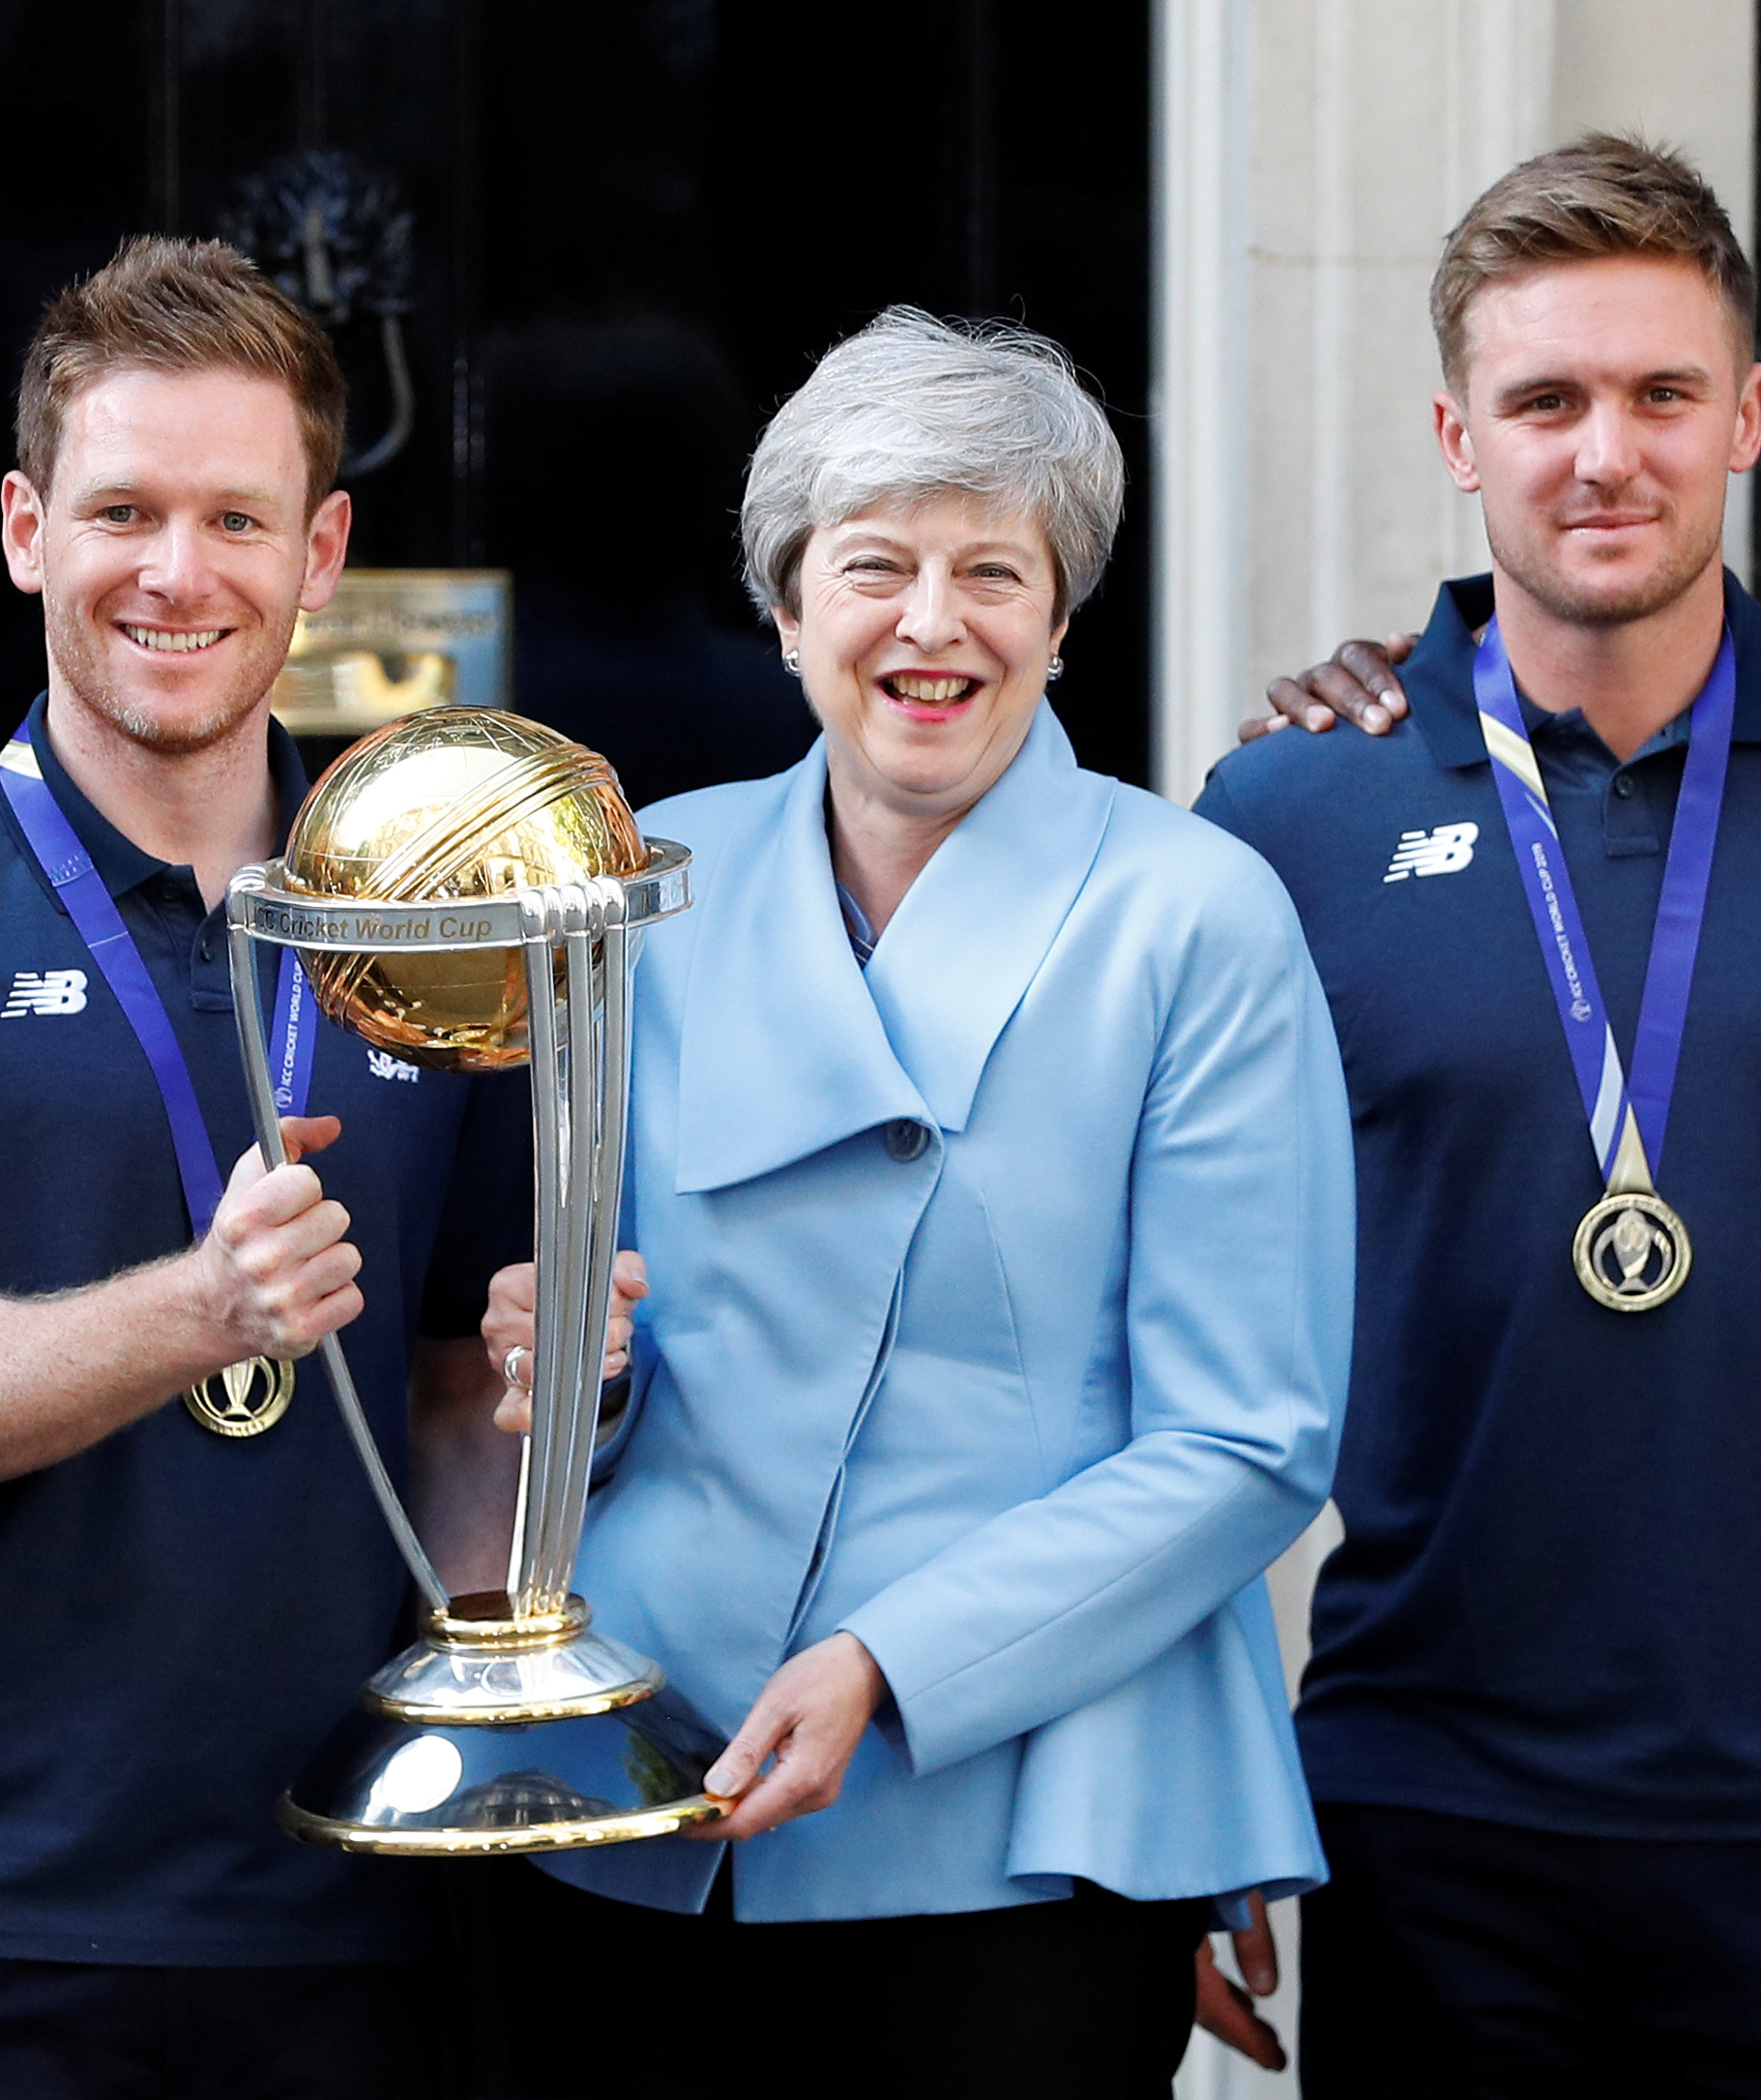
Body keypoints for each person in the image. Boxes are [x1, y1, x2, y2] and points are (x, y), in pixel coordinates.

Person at [1195, 135, 1761, 2095]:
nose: (1608, 453)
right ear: (1454, 433)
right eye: (1546, 401)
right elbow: (1160, 1324)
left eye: (1663, 393)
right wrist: (1167, 1796)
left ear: (1746, 413)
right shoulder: (1287, 816)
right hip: (1431, 1804)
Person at [0, 236, 557, 2099]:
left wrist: (549, 1398)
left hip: (363, 1893)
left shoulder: (440, 923)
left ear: (319, 555)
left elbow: (440, 1399)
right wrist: (200, 1307)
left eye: (238, 519)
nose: (178, 574)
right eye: (123, 511)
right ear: (26, 530)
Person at [476, 307, 1354, 2099]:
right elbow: (618, 1377)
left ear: (1059, 610)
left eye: (994, 570)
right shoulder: (644, 892)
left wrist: (891, 1660)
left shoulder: (1196, 916)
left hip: (1022, 1799)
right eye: (873, 566)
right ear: (789, 609)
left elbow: (1251, 1438)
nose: (932, 623)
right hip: (654, 1783)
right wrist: (580, 1367)